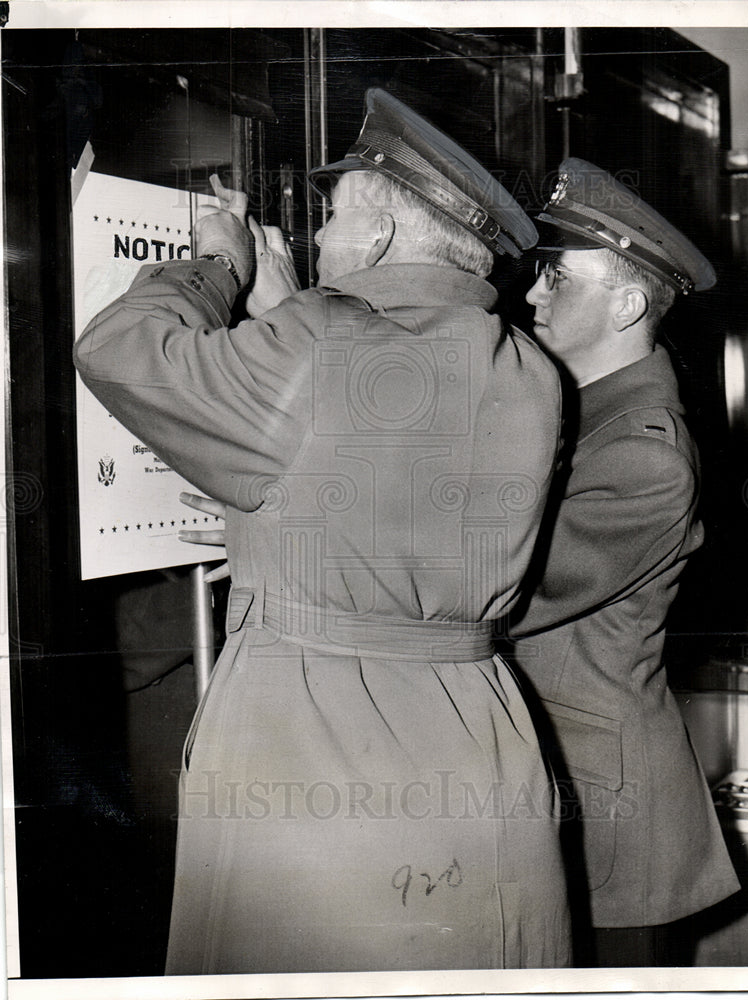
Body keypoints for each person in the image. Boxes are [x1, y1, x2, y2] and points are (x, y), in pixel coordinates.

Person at [74, 89, 572, 973]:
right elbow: (366, 442)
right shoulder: (531, 368)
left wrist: (216, 267)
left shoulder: (316, 340)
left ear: (377, 238)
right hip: (475, 728)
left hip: (311, 733)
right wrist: (303, 307)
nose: (317, 237)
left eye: (335, 217)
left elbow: (119, 349)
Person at [504, 158, 740, 966]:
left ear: (628, 303)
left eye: (556, 277)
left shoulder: (643, 454)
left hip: (608, 817)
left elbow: (503, 592)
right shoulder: (587, 420)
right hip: (571, 790)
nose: (533, 293)